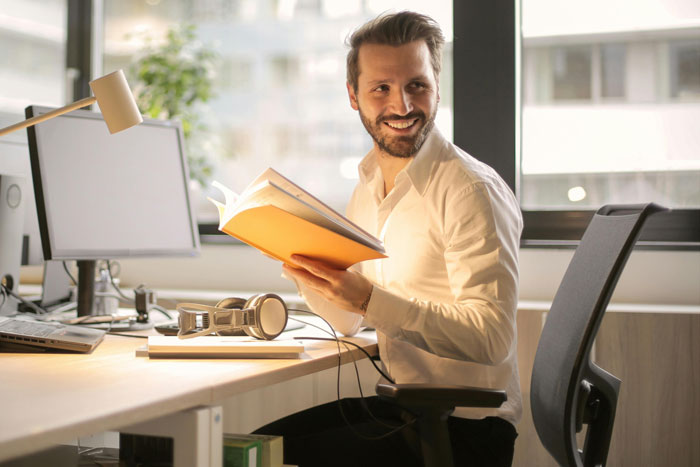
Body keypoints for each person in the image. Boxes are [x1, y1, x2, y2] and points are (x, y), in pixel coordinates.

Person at [255, 10, 523, 467]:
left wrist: (369, 300)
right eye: (381, 88)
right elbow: (348, 322)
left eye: (416, 84)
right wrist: (305, 269)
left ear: (437, 84)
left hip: (466, 429)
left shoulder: (470, 190)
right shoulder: (368, 183)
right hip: (406, 409)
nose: (401, 106)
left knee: (256, 458)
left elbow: (492, 337)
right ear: (353, 96)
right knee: (249, 447)